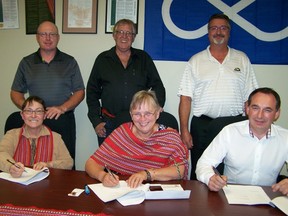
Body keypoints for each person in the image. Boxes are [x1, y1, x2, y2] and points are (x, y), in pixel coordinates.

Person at [178, 13, 258, 180]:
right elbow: (186, 98)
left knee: (232, 173)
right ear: (208, 33)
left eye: (223, 28)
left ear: (229, 32)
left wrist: (252, 127)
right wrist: (184, 130)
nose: (218, 32)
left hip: (234, 124)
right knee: (201, 172)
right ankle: (198, 206)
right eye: (214, 28)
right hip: (203, 126)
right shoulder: (196, 61)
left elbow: (251, 99)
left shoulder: (242, 59)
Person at [10, 21, 85, 163]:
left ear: (58, 37)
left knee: (65, 162)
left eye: (52, 34)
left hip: (62, 119)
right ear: (37, 37)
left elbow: (79, 91)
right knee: (33, 161)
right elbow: (15, 92)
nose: (48, 38)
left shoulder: (69, 61)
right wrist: (29, 109)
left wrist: (62, 108)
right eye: (43, 34)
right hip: (35, 121)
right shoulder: (26, 62)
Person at [85, 90, 188, 188]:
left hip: (158, 192)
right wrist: (103, 176)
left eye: (148, 113)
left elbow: (180, 171)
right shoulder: (122, 133)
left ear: (157, 114)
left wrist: (147, 174)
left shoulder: (170, 137)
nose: (142, 119)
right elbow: (91, 163)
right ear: (131, 115)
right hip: (126, 190)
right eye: (137, 114)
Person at [86, 18, 166, 146]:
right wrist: (96, 121)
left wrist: (157, 107)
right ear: (114, 35)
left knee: (136, 162)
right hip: (109, 123)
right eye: (120, 32)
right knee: (109, 163)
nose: (124, 36)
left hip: (139, 124)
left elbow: (157, 85)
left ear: (133, 37)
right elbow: (92, 92)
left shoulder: (143, 58)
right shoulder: (102, 59)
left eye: (129, 33)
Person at [196, 87, 288, 196]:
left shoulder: (285, 137)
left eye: (267, 110)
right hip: (231, 198)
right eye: (255, 108)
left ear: (277, 113)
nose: (260, 115)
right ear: (247, 109)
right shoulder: (230, 132)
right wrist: (210, 178)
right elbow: (204, 163)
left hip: (268, 198)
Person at [0, 96, 73, 178]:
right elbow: (2, 154)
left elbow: (68, 162)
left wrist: (48, 165)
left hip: (46, 186)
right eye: (29, 111)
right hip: (18, 184)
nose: (33, 115)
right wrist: (10, 167)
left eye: (38, 111)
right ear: (22, 115)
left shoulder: (56, 137)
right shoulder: (12, 135)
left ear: (44, 115)